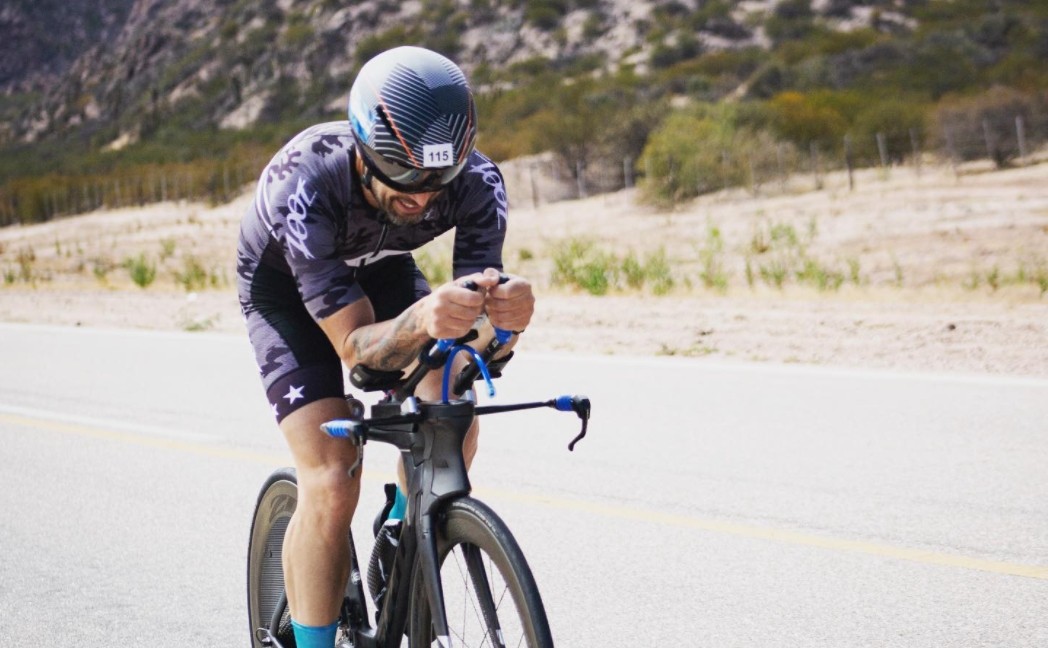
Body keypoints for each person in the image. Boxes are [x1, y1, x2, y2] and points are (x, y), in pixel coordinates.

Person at [235, 46, 534, 648]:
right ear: (363, 151)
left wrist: (506, 324)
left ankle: (403, 528)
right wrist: (424, 317)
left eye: (436, 183)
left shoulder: (477, 181)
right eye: (403, 181)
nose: (422, 199)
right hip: (287, 290)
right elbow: (358, 353)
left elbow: (475, 341)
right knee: (332, 473)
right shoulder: (308, 182)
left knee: (453, 404)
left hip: (383, 267)